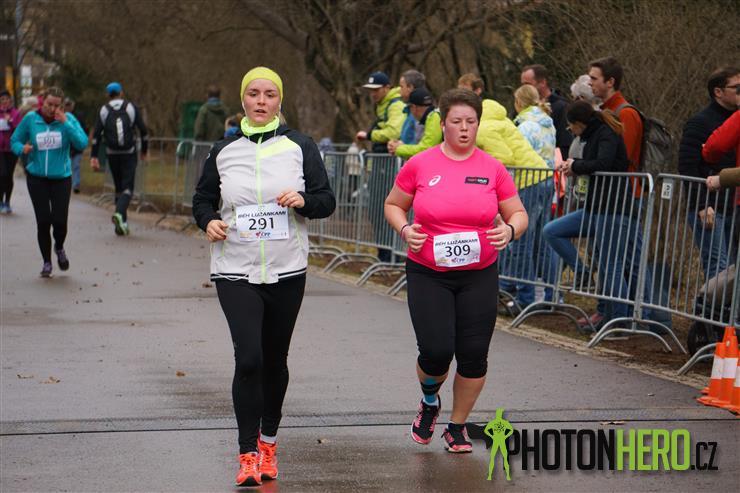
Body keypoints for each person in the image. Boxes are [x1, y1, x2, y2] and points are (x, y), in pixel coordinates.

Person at [192, 67, 335, 487]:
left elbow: (326, 200)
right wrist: (208, 221)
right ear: (242, 100)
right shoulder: (224, 150)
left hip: (287, 268)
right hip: (234, 268)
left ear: (279, 101)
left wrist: (303, 200)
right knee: (249, 359)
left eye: (269, 94)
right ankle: (247, 453)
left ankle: (268, 441)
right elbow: (202, 200)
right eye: (253, 93)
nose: (260, 101)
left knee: (274, 360)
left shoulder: (300, 146)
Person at [384, 88, 528, 453]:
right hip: (428, 271)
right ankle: (429, 401)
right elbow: (393, 205)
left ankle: (457, 426)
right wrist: (405, 229)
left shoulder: (492, 168)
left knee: (474, 354)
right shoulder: (420, 164)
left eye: (471, 122)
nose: (464, 128)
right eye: (456, 121)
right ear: (443, 123)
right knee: (436, 351)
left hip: (479, 272)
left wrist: (510, 230)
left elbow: (518, 213)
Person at [543, 101, 632, 326]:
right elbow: (594, 164)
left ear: (580, 123)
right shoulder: (592, 134)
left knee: (610, 265)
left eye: (571, 126)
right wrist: (575, 167)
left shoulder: (606, 132)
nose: (570, 131)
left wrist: (576, 166)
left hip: (612, 208)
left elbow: (603, 163)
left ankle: (619, 320)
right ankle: (582, 272)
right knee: (552, 231)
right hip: (595, 207)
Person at [10, 87, 88, 277]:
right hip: (37, 178)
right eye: (49, 104)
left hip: (61, 178)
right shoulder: (31, 119)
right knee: (43, 221)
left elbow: (82, 143)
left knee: (60, 221)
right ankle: (46, 262)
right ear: (42, 102)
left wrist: (66, 123)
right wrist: (22, 149)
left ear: (62, 106)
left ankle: (59, 247)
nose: (52, 109)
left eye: (57, 106)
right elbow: (14, 140)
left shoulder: (68, 120)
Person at [499, 84, 557, 310]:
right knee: (542, 242)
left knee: (521, 239)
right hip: (547, 182)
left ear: (518, 102)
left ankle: (525, 297)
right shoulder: (548, 124)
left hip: (527, 183)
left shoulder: (523, 127)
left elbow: (515, 158)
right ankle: (552, 295)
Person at [679, 66, 739, 277]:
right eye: (737, 87)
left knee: (733, 271)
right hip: (711, 206)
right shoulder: (700, 122)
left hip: (733, 206)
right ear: (718, 92)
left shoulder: (736, 120)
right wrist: (702, 205)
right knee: (718, 268)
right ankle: (709, 301)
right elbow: (687, 166)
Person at [356, 71, 405, 262]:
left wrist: (370, 135)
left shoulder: (396, 105)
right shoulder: (382, 105)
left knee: (386, 208)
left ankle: (392, 256)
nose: (373, 94)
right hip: (380, 163)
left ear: (387, 88)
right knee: (375, 209)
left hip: (389, 164)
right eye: (371, 90)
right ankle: (383, 254)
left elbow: (394, 131)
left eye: (376, 90)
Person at [90, 81, 149, 236]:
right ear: (121, 92)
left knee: (118, 188)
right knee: (127, 188)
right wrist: (144, 150)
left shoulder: (104, 110)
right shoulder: (130, 107)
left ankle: (121, 225)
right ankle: (119, 213)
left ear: (107, 95)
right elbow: (143, 130)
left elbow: (96, 135)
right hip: (129, 153)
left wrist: (94, 156)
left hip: (112, 153)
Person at [521, 64, 573, 157]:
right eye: (522, 85)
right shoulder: (522, 108)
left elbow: (565, 142)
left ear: (542, 82)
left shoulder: (561, 107)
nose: (524, 89)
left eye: (528, 84)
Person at [387, 88, 442, 159]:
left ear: (413, 107)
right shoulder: (435, 115)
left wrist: (398, 149)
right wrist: (402, 146)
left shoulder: (434, 117)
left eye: (409, 109)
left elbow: (426, 149)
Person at [0, 90, 21, 213]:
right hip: (0, 150)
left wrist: (10, 121)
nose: (4, 101)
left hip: (12, 148)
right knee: (2, 174)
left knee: (8, 176)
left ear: (10, 100)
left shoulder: (16, 113)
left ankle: (7, 202)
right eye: (2, 99)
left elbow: (19, 130)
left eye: (6, 99)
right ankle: (0, 201)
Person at [64, 98, 88, 194]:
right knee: (67, 166)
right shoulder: (61, 117)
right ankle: (67, 184)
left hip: (77, 147)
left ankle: (76, 185)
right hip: (67, 147)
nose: (68, 107)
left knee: (76, 166)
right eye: (66, 105)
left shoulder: (78, 116)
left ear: (72, 106)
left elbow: (83, 130)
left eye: (69, 105)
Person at [398, 69, 427, 145]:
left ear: (410, 87)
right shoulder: (410, 110)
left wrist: (400, 147)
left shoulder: (420, 112)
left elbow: (421, 145)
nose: (399, 91)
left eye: (401, 87)